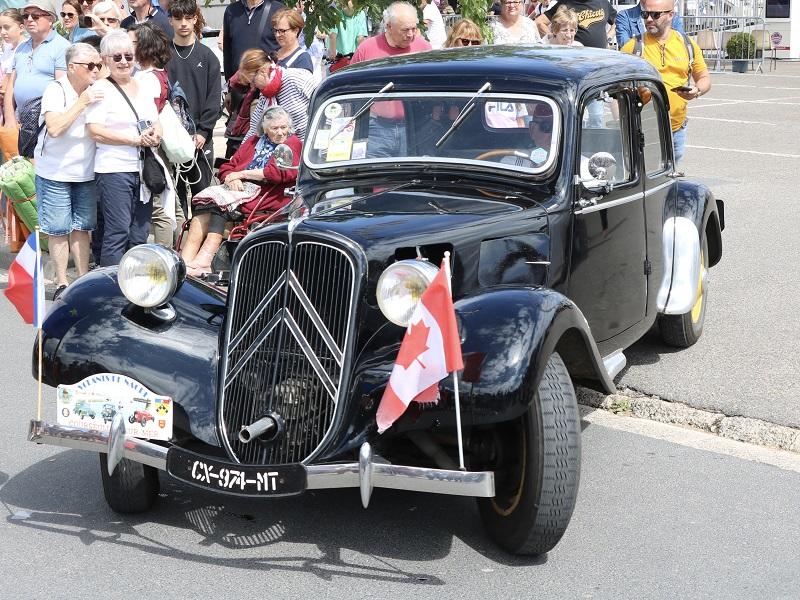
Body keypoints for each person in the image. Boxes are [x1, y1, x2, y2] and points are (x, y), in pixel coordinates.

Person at [181, 106, 300, 276]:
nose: (281, 132)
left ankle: (205, 259)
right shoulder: (253, 142)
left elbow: (276, 173)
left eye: (284, 127)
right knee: (203, 206)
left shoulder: (292, 144)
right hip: (238, 190)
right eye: (275, 128)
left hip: (267, 194)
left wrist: (242, 173)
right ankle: (186, 259)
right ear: (265, 129)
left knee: (219, 205)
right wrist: (233, 177)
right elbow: (227, 167)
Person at [85, 30, 162, 266]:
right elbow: (94, 131)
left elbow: (156, 120)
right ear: (105, 59)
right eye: (116, 57)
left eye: (128, 56)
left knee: (139, 234)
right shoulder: (101, 89)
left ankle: (135, 287)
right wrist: (133, 140)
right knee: (118, 231)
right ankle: (112, 289)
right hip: (114, 169)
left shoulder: (142, 85)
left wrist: (156, 135)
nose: (123, 62)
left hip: (143, 170)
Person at [34, 41, 103, 299]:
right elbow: (54, 128)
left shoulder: (98, 88)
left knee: (82, 227)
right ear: (72, 67)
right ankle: (63, 281)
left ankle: (82, 279)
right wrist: (82, 102)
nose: (96, 70)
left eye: (99, 64)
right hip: (54, 171)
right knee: (58, 228)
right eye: (90, 66)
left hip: (85, 171)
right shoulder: (56, 89)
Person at [620, 0, 709, 169]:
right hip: (645, 131)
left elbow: (704, 77)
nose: (648, 20)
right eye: (645, 14)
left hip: (677, 130)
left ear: (670, 15)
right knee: (650, 181)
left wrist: (696, 91)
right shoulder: (633, 47)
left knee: (671, 180)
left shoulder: (687, 44)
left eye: (655, 15)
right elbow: (615, 86)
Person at [166, 0, 221, 231]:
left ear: (196, 18)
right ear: (170, 20)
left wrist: (203, 131)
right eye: (178, 18)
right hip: (170, 139)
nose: (183, 24)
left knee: (202, 195)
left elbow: (214, 97)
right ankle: (179, 244)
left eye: (188, 18)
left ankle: (199, 247)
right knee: (175, 197)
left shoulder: (208, 56)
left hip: (200, 138)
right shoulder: (164, 55)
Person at [129, 21, 178, 246]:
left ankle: (165, 254)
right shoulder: (156, 73)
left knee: (159, 205)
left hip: (150, 143)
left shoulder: (147, 78)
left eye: (133, 43)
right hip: (156, 142)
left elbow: (146, 116)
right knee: (170, 202)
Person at [3, 0, 70, 127]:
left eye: (35, 16)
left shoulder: (63, 47)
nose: (29, 19)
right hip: (20, 121)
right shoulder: (22, 47)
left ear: (50, 19)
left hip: (46, 122)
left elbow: (64, 89)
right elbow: (11, 85)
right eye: (25, 16)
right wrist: (9, 118)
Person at [222, 0, 285, 82]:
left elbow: (286, 47)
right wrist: (229, 83)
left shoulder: (278, 10)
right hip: (240, 85)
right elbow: (227, 50)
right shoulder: (231, 11)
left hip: (268, 85)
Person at [350, 1, 431, 63]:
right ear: (389, 27)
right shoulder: (365, 50)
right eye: (405, 30)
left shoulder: (424, 49)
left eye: (413, 29)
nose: (410, 34)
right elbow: (350, 80)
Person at [535, 0, 615, 48]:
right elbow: (539, 22)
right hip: (575, 58)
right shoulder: (566, 2)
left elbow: (618, 21)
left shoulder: (603, 2)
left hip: (600, 57)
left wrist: (609, 37)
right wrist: (555, 37)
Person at [615, 0, 683, 49]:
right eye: (645, 14)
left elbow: (681, 43)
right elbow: (625, 45)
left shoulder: (670, 15)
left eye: (656, 15)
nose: (649, 19)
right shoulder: (625, 15)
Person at [0, 8, 25, 124]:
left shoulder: (24, 49)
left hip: (15, 107)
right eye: (0, 28)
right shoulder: (8, 48)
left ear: (21, 28)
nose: (2, 32)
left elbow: (7, 81)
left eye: (7, 27)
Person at [326, 0, 367, 65]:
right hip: (337, 58)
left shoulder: (360, 14)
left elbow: (360, 39)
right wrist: (332, 56)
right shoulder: (336, 13)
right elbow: (332, 36)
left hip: (351, 58)